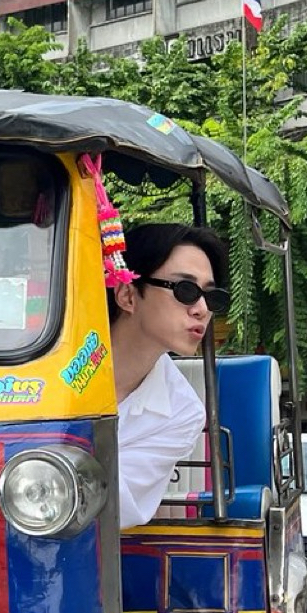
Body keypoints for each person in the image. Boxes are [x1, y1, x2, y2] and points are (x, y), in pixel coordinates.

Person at [108, 223, 230, 530]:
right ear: (128, 295)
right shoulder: (47, 359)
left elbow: (110, 506)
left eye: (211, 297)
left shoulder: (180, 413)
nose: (202, 310)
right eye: (185, 290)